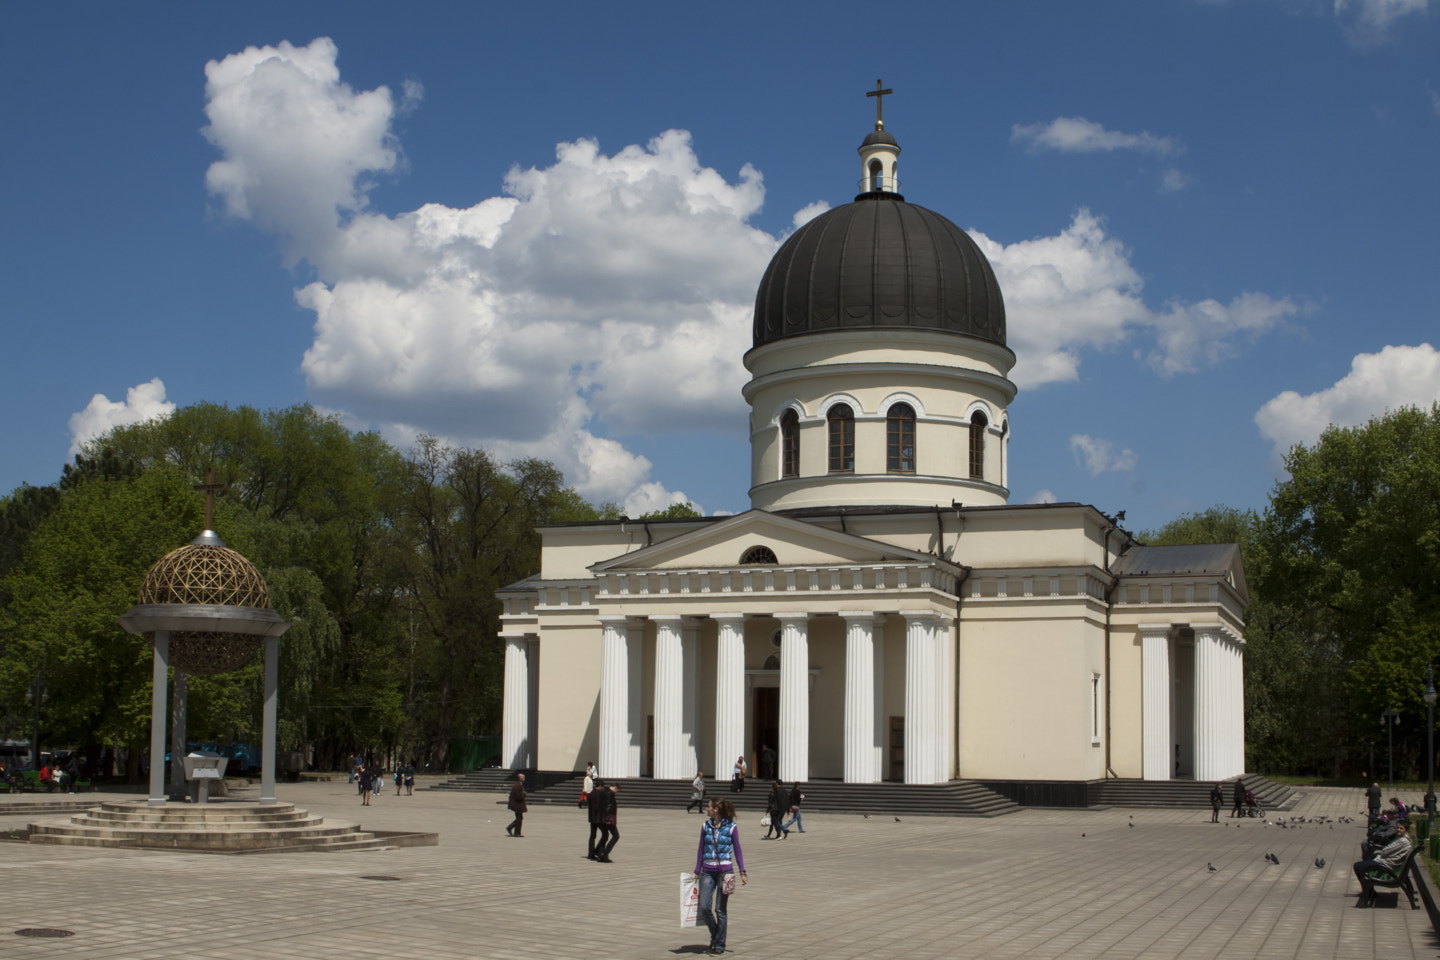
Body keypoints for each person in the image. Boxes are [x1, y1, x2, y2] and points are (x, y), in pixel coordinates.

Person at [694, 798, 747, 956]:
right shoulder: (706, 826)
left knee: (720, 909)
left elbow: (737, 849)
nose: (706, 809)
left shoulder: (731, 827)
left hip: (725, 872)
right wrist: (697, 870)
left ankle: (719, 944)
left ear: (716, 809)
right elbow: (700, 848)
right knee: (704, 906)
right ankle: (716, 934)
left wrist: (742, 871)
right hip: (708, 871)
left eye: (709, 807)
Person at [1354, 819, 1412, 904]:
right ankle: (1369, 891)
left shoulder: (1402, 841)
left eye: (1401, 828)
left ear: (1406, 830)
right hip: (1387, 862)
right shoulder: (1402, 838)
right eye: (1398, 828)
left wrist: (1382, 852)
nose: (1398, 830)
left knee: (1358, 866)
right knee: (1364, 863)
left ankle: (1369, 892)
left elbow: (1385, 850)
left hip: (1386, 865)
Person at [597, 782, 620, 862]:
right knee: (616, 836)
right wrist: (607, 818)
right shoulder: (610, 794)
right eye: (617, 790)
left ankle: (600, 853)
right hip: (608, 818)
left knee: (605, 835)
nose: (616, 792)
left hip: (601, 817)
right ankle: (605, 853)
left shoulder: (603, 791)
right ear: (615, 788)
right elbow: (608, 806)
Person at [586, 778, 607, 860]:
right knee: (605, 835)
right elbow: (599, 807)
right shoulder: (600, 794)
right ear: (600, 786)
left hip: (592, 818)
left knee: (592, 836)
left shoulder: (591, 793)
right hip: (599, 818)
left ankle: (590, 853)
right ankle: (599, 850)